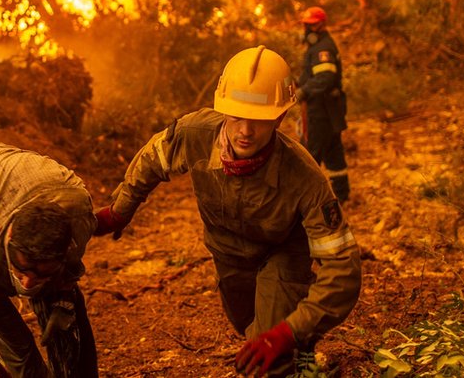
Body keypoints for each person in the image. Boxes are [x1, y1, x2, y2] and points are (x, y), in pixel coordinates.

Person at [94, 46, 362, 377]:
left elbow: (344, 270)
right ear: (223, 110)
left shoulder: (303, 176)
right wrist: (119, 211)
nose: (245, 131)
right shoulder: (194, 134)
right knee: (247, 327)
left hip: (282, 255)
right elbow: (153, 159)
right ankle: (302, 354)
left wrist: (286, 332)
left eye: (259, 120)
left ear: (278, 118)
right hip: (229, 254)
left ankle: (298, 359)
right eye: (237, 117)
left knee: (269, 353)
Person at [0, 141, 98, 378]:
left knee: (65, 311)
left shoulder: (79, 216)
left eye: (40, 273)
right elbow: (17, 350)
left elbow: (69, 270)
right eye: (21, 269)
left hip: (28, 178)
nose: (25, 283)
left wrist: (63, 299)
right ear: (10, 235)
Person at [296, 6, 350, 202]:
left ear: (320, 25)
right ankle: (342, 195)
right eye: (305, 25)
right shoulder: (317, 47)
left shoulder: (323, 48)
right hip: (329, 109)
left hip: (321, 110)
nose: (306, 30)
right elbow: (313, 76)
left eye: (309, 25)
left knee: (309, 154)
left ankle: (304, 200)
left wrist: (304, 90)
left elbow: (325, 77)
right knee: (333, 152)